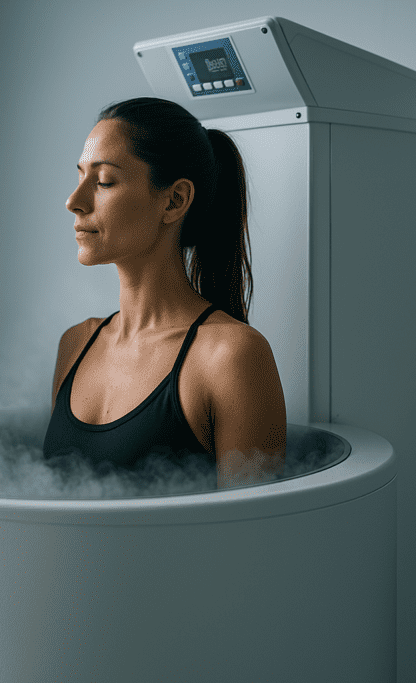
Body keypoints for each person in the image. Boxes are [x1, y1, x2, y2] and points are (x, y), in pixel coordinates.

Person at [42, 97, 286, 489]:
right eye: (80, 176)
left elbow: (253, 541)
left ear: (173, 201)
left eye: (103, 181)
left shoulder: (230, 358)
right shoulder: (75, 344)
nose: (74, 202)